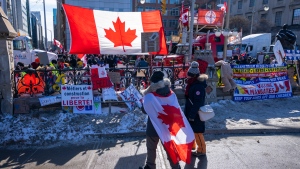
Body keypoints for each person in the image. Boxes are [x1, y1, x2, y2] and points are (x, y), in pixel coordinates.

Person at [139, 71, 182, 169]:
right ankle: (175, 166)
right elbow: (176, 109)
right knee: (170, 148)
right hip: (167, 127)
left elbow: (145, 110)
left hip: (153, 126)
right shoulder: (171, 94)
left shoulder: (150, 96)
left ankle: (150, 166)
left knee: (151, 148)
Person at [184, 61, 208, 156]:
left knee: (198, 132)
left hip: (196, 113)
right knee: (192, 130)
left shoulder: (197, 87)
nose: (187, 76)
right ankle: (192, 146)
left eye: (189, 75)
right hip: (192, 111)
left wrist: (192, 114)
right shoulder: (192, 84)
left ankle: (202, 150)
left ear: (193, 76)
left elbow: (198, 102)